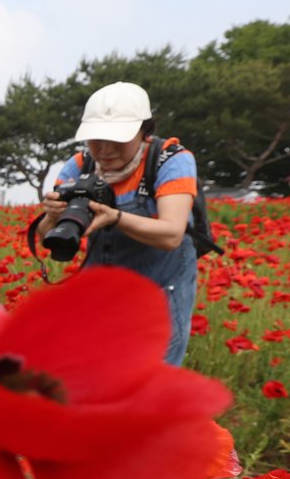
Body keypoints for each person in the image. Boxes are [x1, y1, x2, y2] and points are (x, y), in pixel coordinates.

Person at [33, 81, 199, 365]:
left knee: (149, 383)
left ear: (144, 131)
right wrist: (51, 217)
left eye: (117, 139)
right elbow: (49, 237)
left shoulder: (170, 160)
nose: (105, 149)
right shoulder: (79, 166)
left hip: (159, 288)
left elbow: (172, 234)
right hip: (101, 293)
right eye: (96, 138)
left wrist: (116, 217)